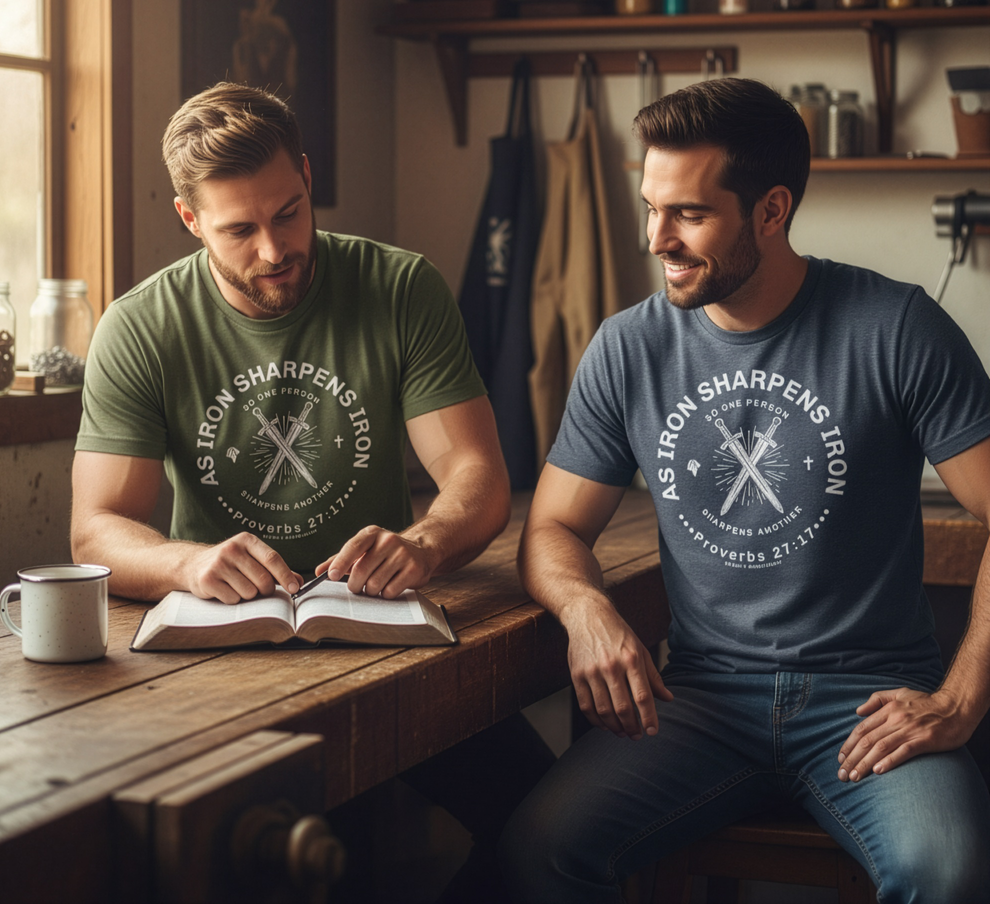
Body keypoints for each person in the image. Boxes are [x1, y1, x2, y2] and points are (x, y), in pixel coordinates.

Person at [499, 78, 990, 903]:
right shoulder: (628, 349)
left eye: (688, 214)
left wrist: (961, 700)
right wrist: (586, 612)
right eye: (651, 207)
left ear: (771, 210)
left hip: (868, 701)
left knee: (947, 874)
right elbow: (550, 527)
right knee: (534, 855)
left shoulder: (896, 328)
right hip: (698, 702)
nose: (657, 238)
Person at [71, 82, 554, 901]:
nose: (273, 249)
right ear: (191, 222)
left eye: (289, 213)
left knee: (550, 830)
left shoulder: (401, 286)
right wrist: (189, 564)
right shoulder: (139, 326)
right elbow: (96, 529)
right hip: (217, 662)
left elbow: (477, 476)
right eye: (239, 229)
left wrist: (425, 542)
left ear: (305, 173)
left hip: (385, 641)